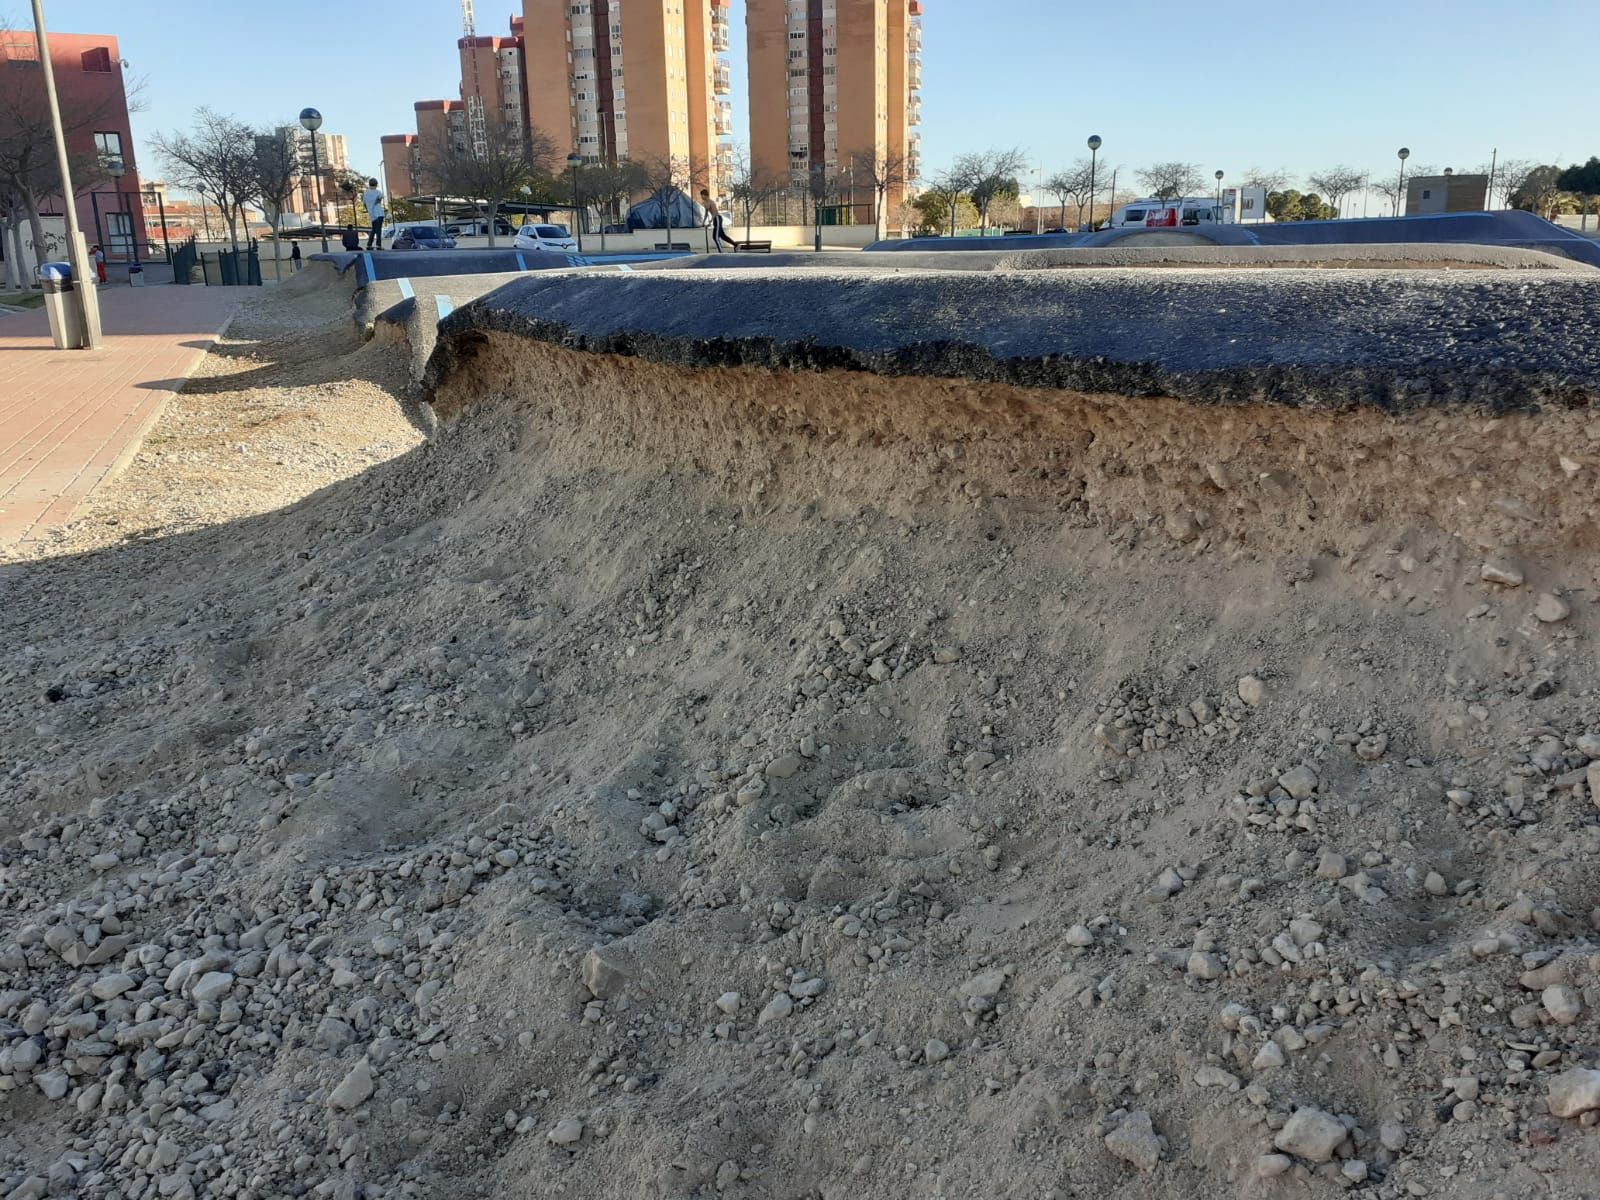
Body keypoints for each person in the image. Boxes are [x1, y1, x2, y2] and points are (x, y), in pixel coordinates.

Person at [361, 178, 386, 249]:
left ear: (369, 184)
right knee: (378, 230)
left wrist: (369, 209)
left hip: (372, 214)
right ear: (376, 184)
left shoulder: (365, 193)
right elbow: (380, 198)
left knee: (374, 229)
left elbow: (364, 204)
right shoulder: (378, 192)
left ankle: (369, 244)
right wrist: (377, 202)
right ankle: (378, 245)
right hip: (379, 213)